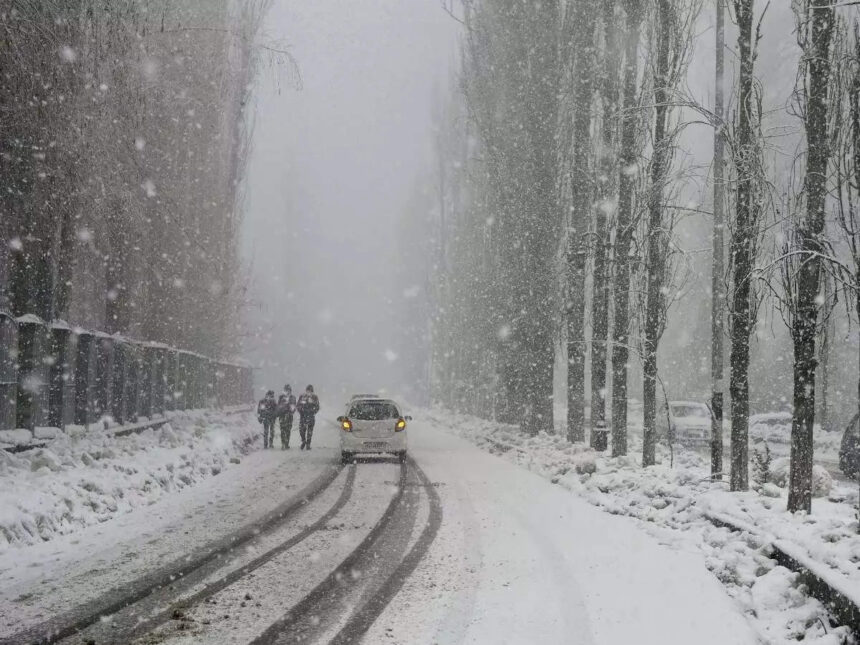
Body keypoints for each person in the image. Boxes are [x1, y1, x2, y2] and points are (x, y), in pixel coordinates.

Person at [296, 384, 320, 450]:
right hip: (303, 416)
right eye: (308, 390)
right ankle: (303, 441)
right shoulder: (302, 396)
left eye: (310, 391)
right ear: (306, 390)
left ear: (312, 391)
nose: (309, 392)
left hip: (311, 417)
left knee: (310, 432)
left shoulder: (315, 397)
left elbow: (317, 407)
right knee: (301, 431)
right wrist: (301, 410)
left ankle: (308, 444)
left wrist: (312, 411)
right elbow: (298, 405)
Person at [277, 385, 297, 450]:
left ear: (290, 391)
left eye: (288, 390)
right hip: (282, 416)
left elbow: (294, 407)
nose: (287, 392)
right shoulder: (281, 397)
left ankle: (286, 443)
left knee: (288, 430)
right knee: (282, 430)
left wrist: (292, 410)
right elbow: (278, 406)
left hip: (289, 416)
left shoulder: (293, 397)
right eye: (286, 390)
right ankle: (283, 443)